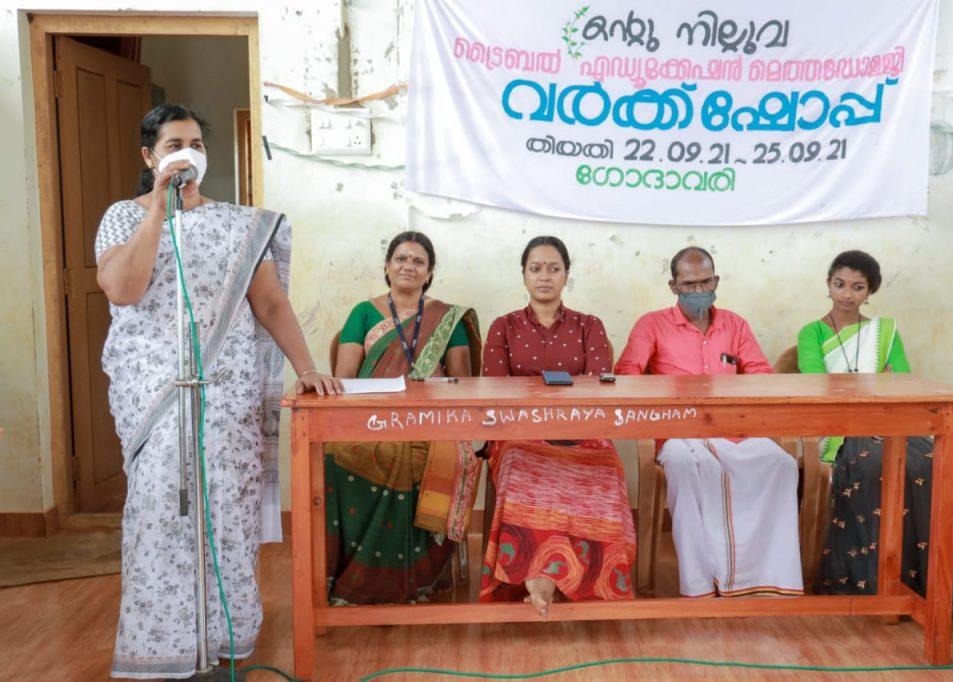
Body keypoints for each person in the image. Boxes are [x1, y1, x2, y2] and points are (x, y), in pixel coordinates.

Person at [97, 104, 339, 679]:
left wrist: (306, 367)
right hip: (155, 396)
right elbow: (123, 289)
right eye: (174, 144)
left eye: (197, 144)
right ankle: (161, 649)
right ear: (149, 155)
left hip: (227, 396)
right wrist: (160, 210)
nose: (188, 153)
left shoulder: (237, 226)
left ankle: (223, 642)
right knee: (160, 513)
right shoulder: (122, 217)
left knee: (227, 514)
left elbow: (270, 303)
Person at [796, 249, 953, 605]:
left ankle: (928, 580)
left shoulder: (884, 332)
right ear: (828, 285)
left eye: (857, 287)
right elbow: (818, 384)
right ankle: (872, 581)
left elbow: (900, 381)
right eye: (839, 284)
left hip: (890, 420)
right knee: (873, 465)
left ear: (870, 291)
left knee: (930, 462)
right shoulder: (812, 333)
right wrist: (872, 383)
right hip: (841, 425)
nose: (847, 294)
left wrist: (872, 388)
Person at [614, 247, 803, 598]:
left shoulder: (735, 324)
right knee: (685, 466)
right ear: (673, 286)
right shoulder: (651, 324)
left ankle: (764, 578)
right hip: (679, 434)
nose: (699, 290)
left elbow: (761, 376)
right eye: (690, 284)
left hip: (734, 430)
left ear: (716, 281)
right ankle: (701, 585)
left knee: (782, 464)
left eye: (706, 282)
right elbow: (626, 376)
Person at [479, 236, 635, 617]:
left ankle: (583, 581)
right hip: (521, 433)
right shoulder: (503, 327)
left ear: (566, 275)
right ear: (524, 275)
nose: (544, 276)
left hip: (582, 431)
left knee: (607, 465)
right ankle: (540, 575)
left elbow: (598, 387)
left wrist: (568, 421)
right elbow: (496, 391)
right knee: (520, 462)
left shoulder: (589, 325)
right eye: (535, 269)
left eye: (553, 269)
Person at [324, 231, 482, 604]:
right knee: (333, 455)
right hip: (373, 419)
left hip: (432, 422)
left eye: (418, 261)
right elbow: (345, 380)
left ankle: (415, 575)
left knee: (432, 457)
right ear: (387, 266)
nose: (408, 266)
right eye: (401, 258)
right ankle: (355, 569)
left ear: (429, 273)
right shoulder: (363, 313)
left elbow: (463, 384)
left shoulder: (448, 319)